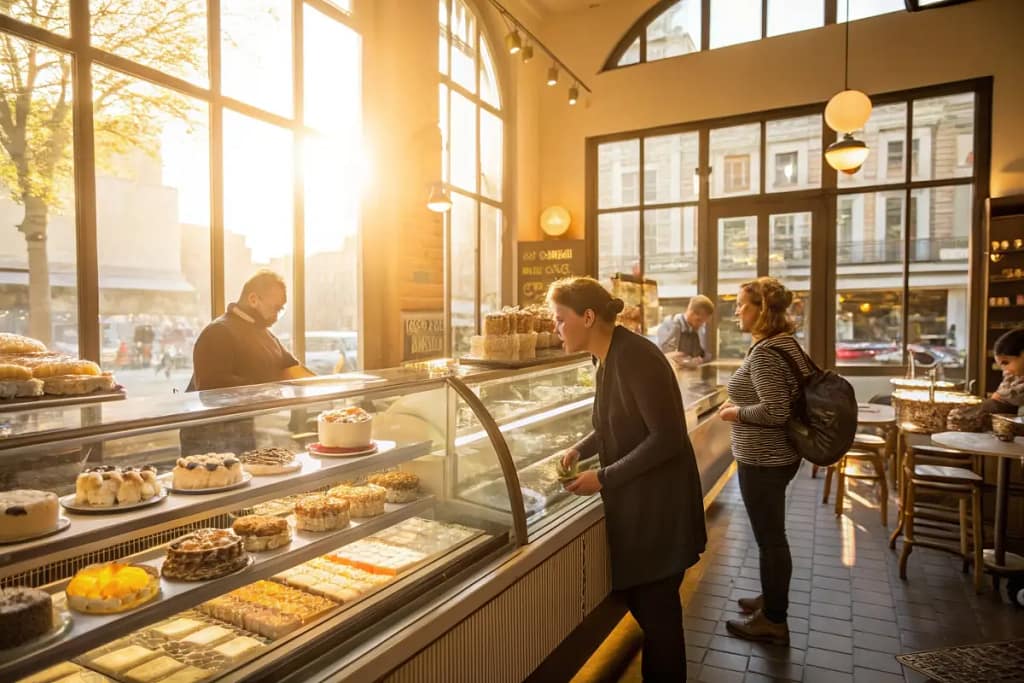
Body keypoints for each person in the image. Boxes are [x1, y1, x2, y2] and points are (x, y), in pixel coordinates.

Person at [551, 276, 707, 682]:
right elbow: (613, 424)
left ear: (588, 317)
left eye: (560, 319)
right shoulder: (604, 357)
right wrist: (579, 450)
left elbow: (667, 439)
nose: (556, 328)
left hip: (661, 508)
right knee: (651, 613)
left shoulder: (636, 356)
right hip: (641, 506)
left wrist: (602, 477)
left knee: (660, 622)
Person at [717, 276, 811, 646]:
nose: (737, 310)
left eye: (743, 304)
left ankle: (773, 619)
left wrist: (735, 414)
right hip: (778, 456)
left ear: (763, 310)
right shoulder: (783, 343)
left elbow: (775, 410)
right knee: (770, 537)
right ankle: (770, 598)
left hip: (764, 459)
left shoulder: (768, 352)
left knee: (771, 539)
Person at [181, 270, 312, 453]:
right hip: (212, 443)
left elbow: (291, 370)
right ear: (253, 299)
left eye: (281, 310)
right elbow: (212, 389)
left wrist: (326, 387)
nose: (277, 315)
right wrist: (271, 391)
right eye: (276, 308)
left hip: (243, 434)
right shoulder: (218, 332)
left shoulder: (265, 334)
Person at [656, 295, 715, 366]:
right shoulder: (672, 325)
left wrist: (700, 359)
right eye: (699, 320)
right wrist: (689, 361)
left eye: (703, 322)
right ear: (691, 312)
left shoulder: (693, 329)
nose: (700, 325)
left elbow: (701, 354)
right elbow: (667, 358)